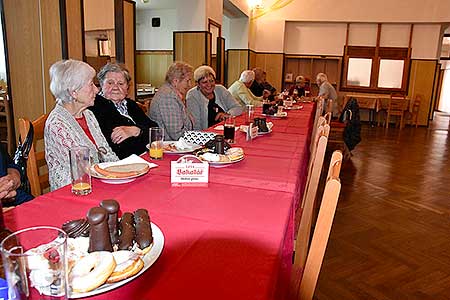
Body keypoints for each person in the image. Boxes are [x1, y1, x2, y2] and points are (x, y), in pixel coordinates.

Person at [45, 59, 119, 191]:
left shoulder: (88, 115)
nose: (97, 90)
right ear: (73, 92)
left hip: (99, 184)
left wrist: (122, 170)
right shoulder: (57, 124)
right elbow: (83, 168)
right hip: (74, 191)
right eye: (91, 85)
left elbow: (106, 152)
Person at [89, 63, 158, 159]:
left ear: (127, 87)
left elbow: (155, 130)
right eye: (110, 83)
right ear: (101, 84)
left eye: (121, 83)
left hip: (144, 159)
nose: (115, 87)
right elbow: (120, 146)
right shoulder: (94, 107)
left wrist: (136, 130)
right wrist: (144, 135)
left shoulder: (131, 105)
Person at [186, 66, 243, 130]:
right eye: (205, 82)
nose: (209, 84)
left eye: (211, 81)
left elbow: (238, 108)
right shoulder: (192, 96)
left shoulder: (220, 89)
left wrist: (227, 114)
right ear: (197, 84)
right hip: (207, 134)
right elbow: (196, 125)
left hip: (225, 129)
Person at [148, 61, 194, 141]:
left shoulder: (172, 93)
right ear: (175, 81)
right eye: (187, 81)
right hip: (168, 147)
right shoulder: (168, 97)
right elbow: (177, 134)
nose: (189, 85)